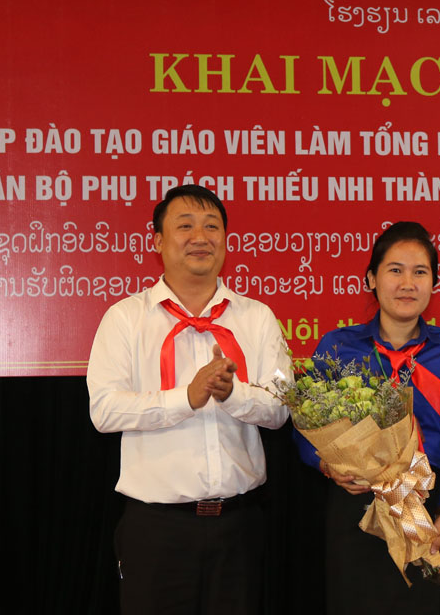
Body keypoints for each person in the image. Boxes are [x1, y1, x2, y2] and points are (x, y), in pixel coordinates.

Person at [87, 184, 292, 615]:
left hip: (240, 527)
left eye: (212, 227)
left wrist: (233, 395)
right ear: (157, 241)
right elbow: (104, 410)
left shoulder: (257, 318)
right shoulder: (126, 318)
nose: (200, 237)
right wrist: (187, 398)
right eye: (185, 226)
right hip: (156, 529)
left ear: (226, 240)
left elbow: (280, 408)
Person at [294, 221, 440, 615]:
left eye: (420, 272)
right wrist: (327, 465)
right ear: (371, 279)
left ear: (434, 282)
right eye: (395, 270)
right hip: (357, 502)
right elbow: (305, 429)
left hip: (427, 504)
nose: (407, 283)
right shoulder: (338, 346)